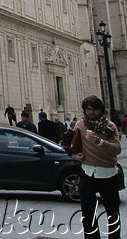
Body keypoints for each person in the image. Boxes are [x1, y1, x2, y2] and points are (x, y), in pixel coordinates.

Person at [72, 95, 121, 239]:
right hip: (88, 173)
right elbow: (71, 145)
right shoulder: (80, 125)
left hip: (108, 174)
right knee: (87, 213)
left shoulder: (109, 126)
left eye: (95, 109)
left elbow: (117, 148)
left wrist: (100, 142)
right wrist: (75, 155)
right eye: (89, 109)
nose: (92, 112)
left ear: (101, 110)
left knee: (112, 213)